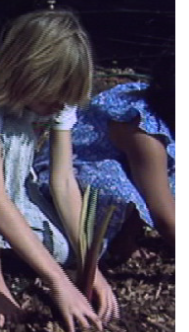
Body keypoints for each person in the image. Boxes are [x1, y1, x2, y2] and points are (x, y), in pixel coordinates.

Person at [0, 8, 120, 332]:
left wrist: (88, 264)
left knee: (65, 250)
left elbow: (63, 180)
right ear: (25, 76)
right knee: (15, 139)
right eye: (53, 98)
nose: (59, 107)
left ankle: (20, 249)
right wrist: (58, 281)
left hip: (18, 186)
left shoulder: (59, 99)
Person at [34, 54, 175, 258]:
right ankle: (101, 246)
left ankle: (126, 233)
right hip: (72, 172)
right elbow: (163, 215)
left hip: (127, 162)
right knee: (117, 193)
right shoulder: (145, 133)